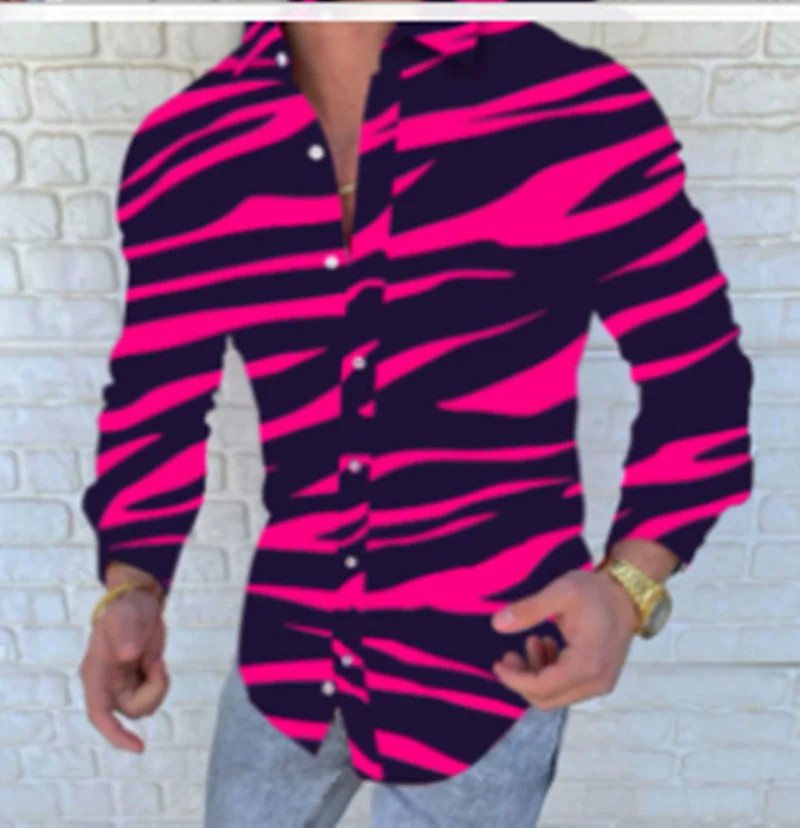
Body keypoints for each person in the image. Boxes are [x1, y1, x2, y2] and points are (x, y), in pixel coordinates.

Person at [79, 17, 754, 828]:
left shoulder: (573, 103)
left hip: (493, 665)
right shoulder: (189, 145)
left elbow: (698, 373)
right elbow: (154, 400)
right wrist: (132, 588)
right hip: (288, 655)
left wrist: (630, 585)